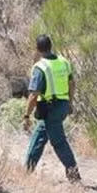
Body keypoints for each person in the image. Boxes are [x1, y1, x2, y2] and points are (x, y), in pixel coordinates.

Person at [22, 34, 81, 182]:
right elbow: (72, 83)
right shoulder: (63, 62)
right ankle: (27, 172)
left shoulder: (40, 67)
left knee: (59, 142)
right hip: (61, 105)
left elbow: (34, 95)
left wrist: (26, 116)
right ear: (50, 46)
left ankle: (74, 175)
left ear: (37, 49)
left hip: (50, 108)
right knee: (39, 137)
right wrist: (70, 102)